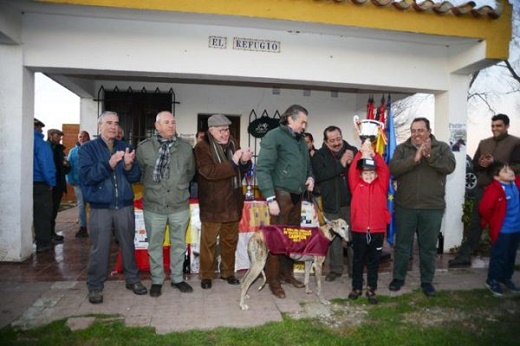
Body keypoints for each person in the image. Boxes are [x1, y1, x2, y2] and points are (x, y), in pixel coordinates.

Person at [79, 111, 147, 304]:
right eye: (108, 123)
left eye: (116, 123)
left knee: (128, 244)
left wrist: (128, 166)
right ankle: (95, 286)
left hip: (124, 205)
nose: (113, 126)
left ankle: (132, 280)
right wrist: (109, 165)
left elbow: (135, 177)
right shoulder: (88, 149)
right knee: (100, 248)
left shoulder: (125, 147)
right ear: (100, 125)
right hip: (101, 207)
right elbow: (87, 177)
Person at [388, 117, 455, 297]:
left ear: (428, 131)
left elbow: (450, 166)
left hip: (432, 207)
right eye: (413, 130)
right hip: (405, 207)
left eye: (420, 130)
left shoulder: (442, 148)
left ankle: (427, 281)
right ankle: (398, 278)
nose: (416, 134)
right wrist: (415, 158)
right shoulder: (402, 148)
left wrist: (429, 156)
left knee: (428, 247)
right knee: (402, 245)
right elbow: (393, 168)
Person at [256, 104, 314, 299]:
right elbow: (262, 169)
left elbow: (308, 165)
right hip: (280, 196)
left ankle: (287, 274)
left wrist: (311, 177)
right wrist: (270, 197)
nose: (304, 126)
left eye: (305, 122)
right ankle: (273, 280)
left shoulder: (300, 140)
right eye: (302, 122)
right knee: (277, 240)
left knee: (292, 238)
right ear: (290, 119)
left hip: (298, 196)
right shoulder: (273, 136)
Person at [136, 111, 196, 297]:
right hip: (154, 206)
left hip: (179, 204)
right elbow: (140, 173)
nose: (171, 125)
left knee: (178, 244)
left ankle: (177, 278)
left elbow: (190, 172)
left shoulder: (186, 148)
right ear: (157, 126)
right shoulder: (144, 148)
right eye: (167, 122)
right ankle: (157, 280)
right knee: (155, 244)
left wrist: (177, 187)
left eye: (173, 122)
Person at [449, 114, 520, 268]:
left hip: (504, 191)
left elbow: (517, 167)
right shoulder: (484, 143)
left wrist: (496, 163)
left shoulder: (515, 143)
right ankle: (465, 256)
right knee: (475, 223)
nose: (495, 129)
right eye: (493, 126)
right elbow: (475, 166)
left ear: (506, 126)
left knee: (502, 226)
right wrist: (481, 163)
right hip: (483, 189)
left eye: (499, 126)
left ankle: (504, 262)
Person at [194, 114, 252, 289]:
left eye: (227, 129)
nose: (225, 134)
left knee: (230, 241)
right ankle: (206, 275)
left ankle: (228, 272)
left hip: (233, 202)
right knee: (208, 243)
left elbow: (244, 170)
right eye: (221, 130)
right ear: (211, 131)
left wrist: (244, 161)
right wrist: (234, 163)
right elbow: (209, 172)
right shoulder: (202, 147)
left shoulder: (234, 143)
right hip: (213, 204)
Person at [311, 126, 357, 281]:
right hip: (330, 202)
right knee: (334, 239)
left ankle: (354, 270)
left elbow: (361, 171)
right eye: (332, 141)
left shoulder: (353, 150)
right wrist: (342, 163)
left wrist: (351, 163)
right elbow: (320, 176)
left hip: (350, 202)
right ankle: (336, 270)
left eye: (338, 139)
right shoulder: (319, 155)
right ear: (325, 141)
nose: (337, 143)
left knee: (352, 237)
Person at [347, 140, 390, 304]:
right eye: (365, 173)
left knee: (373, 262)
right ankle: (356, 287)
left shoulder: (381, 186)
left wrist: (374, 154)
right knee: (357, 261)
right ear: (360, 175)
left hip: (377, 231)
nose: (369, 176)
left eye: (372, 173)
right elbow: (352, 170)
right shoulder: (356, 186)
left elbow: (384, 170)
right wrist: (360, 152)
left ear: (376, 175)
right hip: (359, 231)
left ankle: (371, 289)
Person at [479, 162, 520, 296]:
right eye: (505, 171)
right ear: (497, 177)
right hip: (503, 230)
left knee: (510, 255)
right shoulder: (494, 190)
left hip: (516, 228)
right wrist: (494, 221)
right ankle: (492, 280)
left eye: (510, 169)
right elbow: (484, 209)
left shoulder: (516, 184)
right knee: (499, 256)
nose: (510, 172)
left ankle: (505, 277)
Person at [33, 118, 56, 253]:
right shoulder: (40, 143)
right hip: (41, 183)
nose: (41, 130)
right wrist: (51, 182)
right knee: (42, 214)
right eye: (39, 127)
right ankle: (43, 243)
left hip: (27, 183)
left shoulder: (22, 139)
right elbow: (46, 164)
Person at [47, 129, 70, 243]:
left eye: (61, 136)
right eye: (58, 136)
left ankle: (51, 233)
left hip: (59, 185)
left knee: (54, 210)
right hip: (50, 185)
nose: (60, 138)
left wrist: (66, 166)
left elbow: (65, 168)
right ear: (51, 135)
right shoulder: (47, 149)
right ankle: (47, 234)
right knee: (48, 211)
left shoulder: (60, 150)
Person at [66, 130, 91, 238]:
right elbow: (69, 166)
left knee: (95, 206)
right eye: (80, 136)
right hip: (78, 184)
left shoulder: (92, 150)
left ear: (88, 138)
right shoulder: (73, 151)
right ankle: (83, 227)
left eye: (84, 136)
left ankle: (96, 227)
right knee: (81, 206)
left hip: (91, 184)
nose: (81, 138)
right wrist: (70, 180)